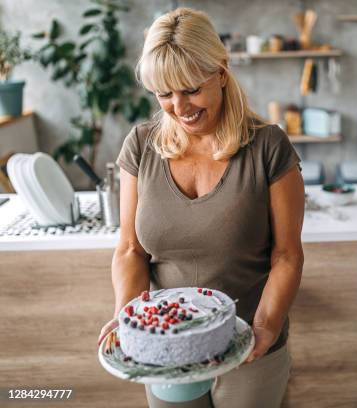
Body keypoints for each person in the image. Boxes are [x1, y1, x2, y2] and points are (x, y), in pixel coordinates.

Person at [97, 7, 305, 408]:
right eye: (164, 93)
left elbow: (287, 255)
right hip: (167, 346)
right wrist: (128, 317)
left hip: (248, 342)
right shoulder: (140, 146)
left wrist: (265, 326)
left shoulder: (268, 146)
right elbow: (130, 250)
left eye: (191, 88)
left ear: (221, 72)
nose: (179, 106)